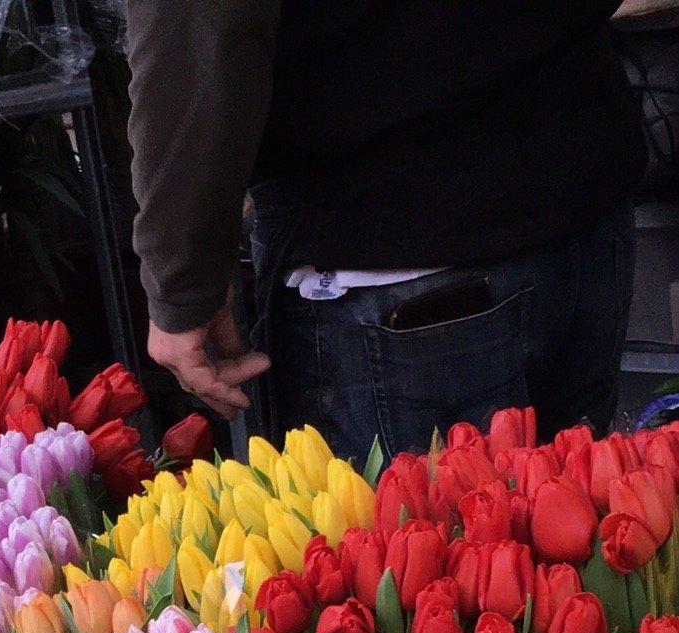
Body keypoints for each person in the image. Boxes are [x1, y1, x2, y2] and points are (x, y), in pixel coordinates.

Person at [123, 1, 647, 459]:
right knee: (577, 527)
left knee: (423, 536)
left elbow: (195, 32)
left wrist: (181, 282)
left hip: (396, 238)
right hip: (579, 187)